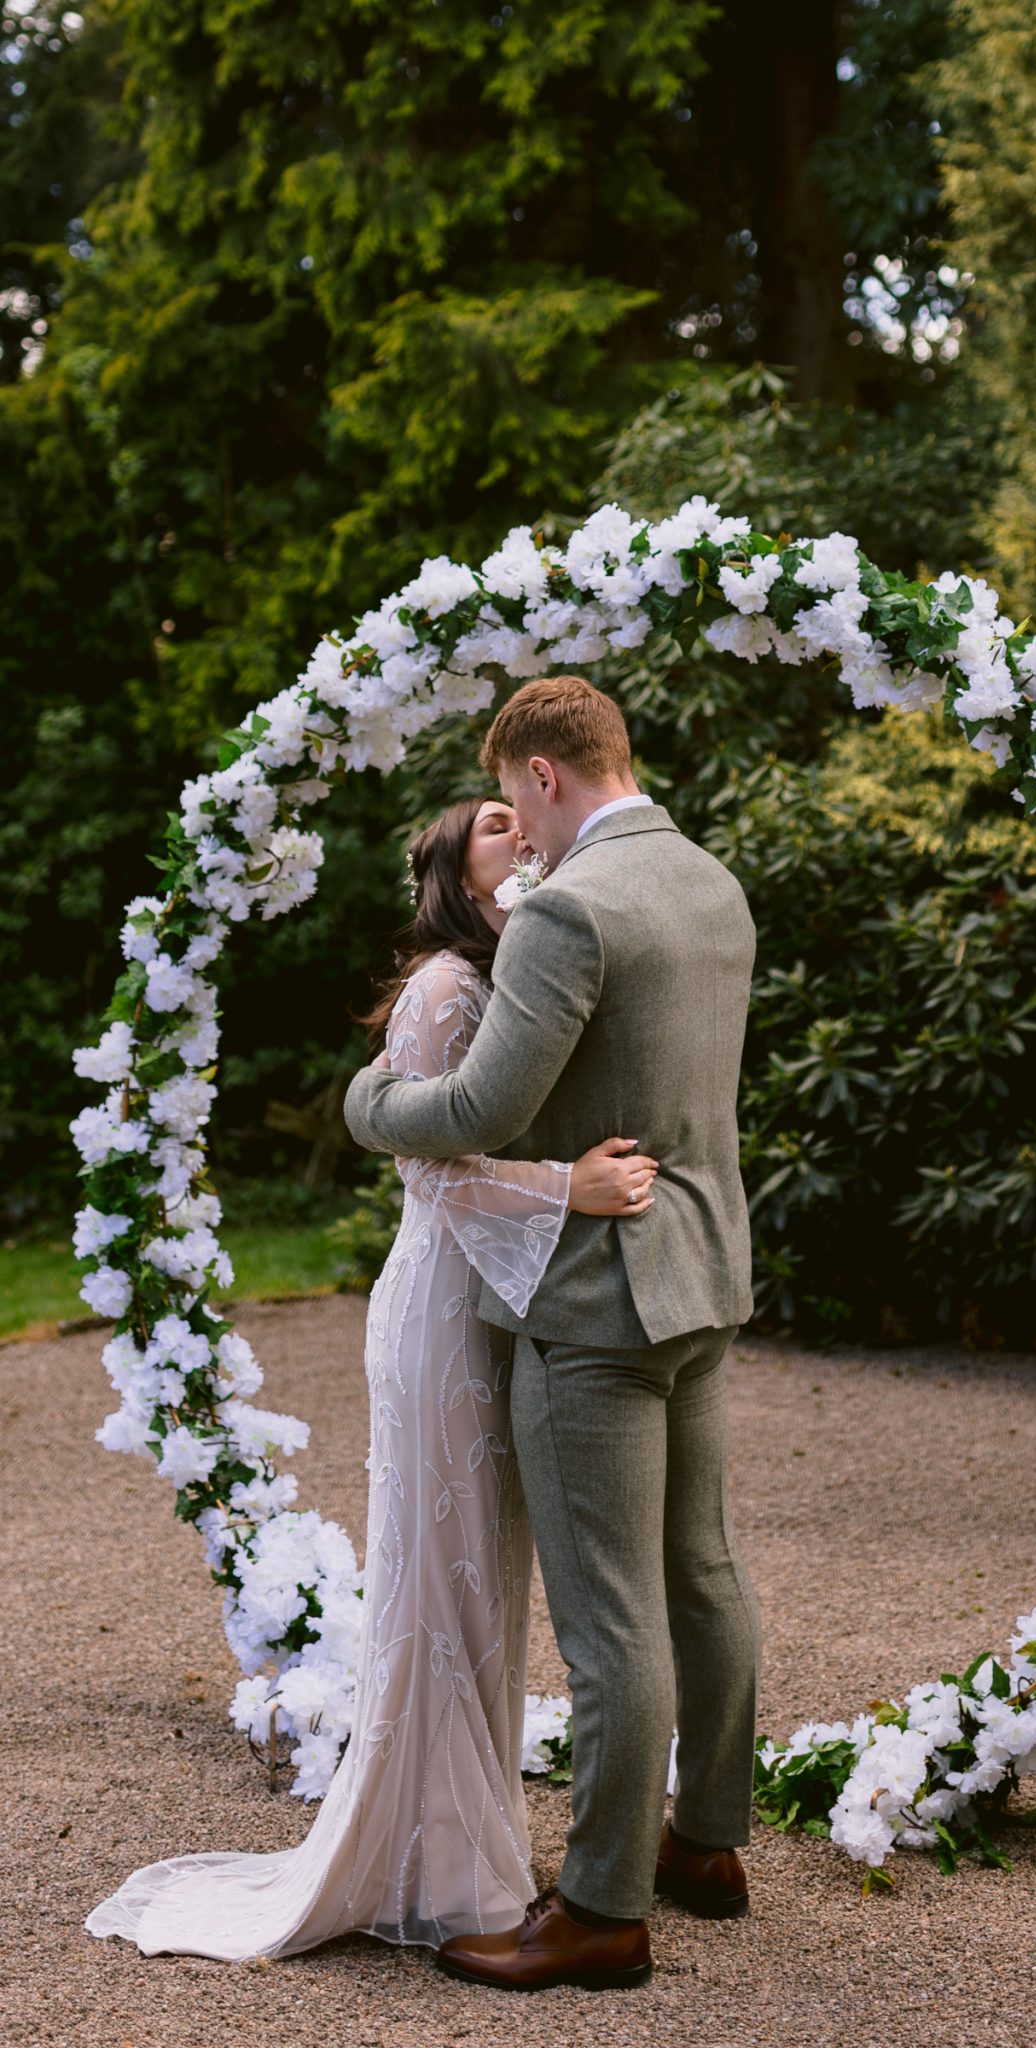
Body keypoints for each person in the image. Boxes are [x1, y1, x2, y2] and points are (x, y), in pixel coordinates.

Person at [85, 796, 658, 1961]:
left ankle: (466, 1835)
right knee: (441, 1581)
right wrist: (568, 1188)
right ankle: (436, 1863)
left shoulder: (524, 973)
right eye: (497, 824)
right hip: (438, 1313)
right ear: (454, 869)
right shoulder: (447, 983)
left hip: (497, 1304)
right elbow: (436, 1173)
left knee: (485, 1580)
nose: (521, 832)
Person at [343, 674, 763, 1993]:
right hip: (704, 1274)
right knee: (703, 1573)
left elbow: (475, 1107)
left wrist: (371, 1101)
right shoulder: (710, 882)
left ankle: (598, 1911)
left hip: (594, 1297)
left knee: (611, 1618)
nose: (515, 839)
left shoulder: (570, 910)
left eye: (514, 808)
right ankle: (706, 1845)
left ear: (539, 775)